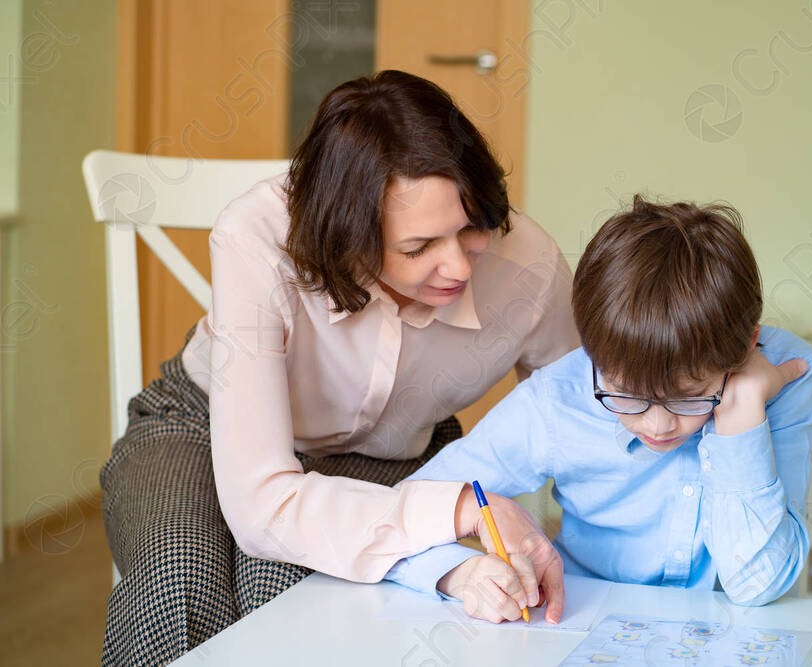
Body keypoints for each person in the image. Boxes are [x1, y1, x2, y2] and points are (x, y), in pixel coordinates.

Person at [99, 70, 578, 665]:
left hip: (389, 454)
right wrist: (456, 507)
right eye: (417, 248)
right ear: (348, 237)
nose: (457, 266)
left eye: (472, 228)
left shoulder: (529, 265)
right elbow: (261, 508)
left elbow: (583, 415)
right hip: (197, 424)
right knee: (176, 573)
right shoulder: (259, 234)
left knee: (288, 588)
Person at [386, 195, 812, 623]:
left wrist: (742, 413)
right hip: (579, 625)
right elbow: (394, 516)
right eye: (626, 392)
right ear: (592, 353)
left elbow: (757, 584)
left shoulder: (785, 377)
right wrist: (461, 574)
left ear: (746, 346)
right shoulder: (560, 397)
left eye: (689, 394)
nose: (658, 424)